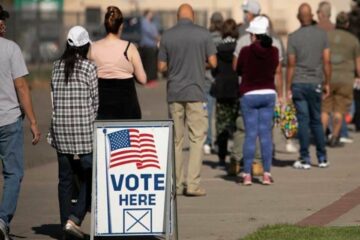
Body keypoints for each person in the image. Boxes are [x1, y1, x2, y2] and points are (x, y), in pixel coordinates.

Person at [158, 4, 217, 196]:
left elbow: (161, 67)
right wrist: (198, 64)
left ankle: (175, 185)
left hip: (174, 92)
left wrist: (176, 65)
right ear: (192, 16)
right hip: (196, 92)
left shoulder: (167, 35)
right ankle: (192, 185)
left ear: (177, 17)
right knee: (197, 138)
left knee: (176, 140)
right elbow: (214, 62)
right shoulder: (203, 34)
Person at [47, 26, 98, 239]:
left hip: (61, 129)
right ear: (85, 45)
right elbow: (95, 102)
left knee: (65, 179)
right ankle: (74, 219)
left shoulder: (56, 66)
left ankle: (64, 225)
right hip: (84, 131)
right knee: (91, 176)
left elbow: (53, 99)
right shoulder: (89, 67)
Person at [0, 5, 41, 240]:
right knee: (13, 173)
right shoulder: (10, 49)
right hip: (8, 119)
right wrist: (34, 121)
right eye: (0, 19)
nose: (3, 23)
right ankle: (3, 219)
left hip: (9, 119)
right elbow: (21, 86)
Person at [236, 16, 282, 185]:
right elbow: (275, 69)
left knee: (250, 134)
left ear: (254, 35)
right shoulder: (275, 51)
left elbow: (238, 69)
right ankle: (267, 174)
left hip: (249, 94)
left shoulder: (245, 51)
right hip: (268, 93)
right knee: (265, 135)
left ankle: (247, 174)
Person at [287, 3, 331, 169]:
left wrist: (288, 87)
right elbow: (326, 61)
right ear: (311, 15)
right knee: (316, 121)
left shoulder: (293, 37)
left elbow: (291, 65)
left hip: (299, 82)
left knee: (303, 121)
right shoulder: (322, 35)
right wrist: (327, 82)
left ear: (299, 17)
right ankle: (322, 157)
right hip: (315, 83)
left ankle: (305, 158)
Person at [89, 6, 147, 120]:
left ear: (105, 25)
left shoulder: (93, 48)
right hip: (127, 108)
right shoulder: (129, 48)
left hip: (101, 105)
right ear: (121, 26)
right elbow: (142, 79)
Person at [321, 12, 360, 147]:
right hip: (345, 78)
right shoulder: (353, 40)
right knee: (339, 110)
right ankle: (335, 137)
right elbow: (358, 63)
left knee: (325, 109)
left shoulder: (326, 36)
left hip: (328, 76)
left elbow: (322, 56)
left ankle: (321, 137)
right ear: (347, 24)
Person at [211, 18, 239, 167]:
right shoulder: (238, 47)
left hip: (221, 89)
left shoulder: (217, 48)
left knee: (222, 125)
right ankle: (236, 156)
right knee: (236, 125)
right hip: (235, 89)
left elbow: (214, 69)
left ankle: (222, 157)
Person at [203, 11, 224, 155]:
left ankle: (208, 141)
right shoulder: (224, 39)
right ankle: (219, 142)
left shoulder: (206, 38)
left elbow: (203, 60)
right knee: (220, 114)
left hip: (207, 79)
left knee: (208, 113)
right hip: (221, 80)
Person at [139, 9, 160, 86]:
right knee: (148, 65)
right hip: (147, 46)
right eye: (151, 14)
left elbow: (156, 32)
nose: (152, 15)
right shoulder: (144, 22)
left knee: (153, 64)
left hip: (153, 46)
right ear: (147, 14)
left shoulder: (152, 23)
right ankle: (148, 80)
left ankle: (152, 80)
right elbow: (150, 33)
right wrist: (157, 37)